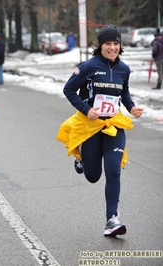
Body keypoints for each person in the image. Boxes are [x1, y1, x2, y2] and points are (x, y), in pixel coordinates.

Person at [56, 24, 144, 237]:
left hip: (113, 126)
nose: (112, 48)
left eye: (116, 43)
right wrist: (87, 110)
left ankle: (111, 219)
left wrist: (131, 106)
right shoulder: (88, 66)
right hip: (90, 126)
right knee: (93, 176)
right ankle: (82, 159)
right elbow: (68, 89)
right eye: (108, 44)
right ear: (100, 45)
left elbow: (124, 92)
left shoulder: (124, 69)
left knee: (113, 171)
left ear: (120, 45)